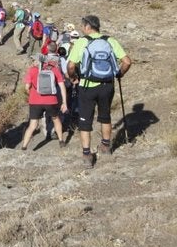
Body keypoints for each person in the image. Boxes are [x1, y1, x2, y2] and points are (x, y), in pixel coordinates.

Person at [66, 15, 132, 168]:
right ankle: (106, 146)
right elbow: (127, 61)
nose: (82, 29)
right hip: (107, 85)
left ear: (88, 26)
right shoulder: (110, 41)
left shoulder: (82, 41)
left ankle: (87, 154)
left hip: (87, 85)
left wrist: (73, 77)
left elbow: (70, 66)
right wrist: (119, 74)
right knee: (105, 115)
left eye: (83, 26)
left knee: (85, 119)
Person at [20, 54, 69, 150]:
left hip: (35, 101)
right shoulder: (54, 69)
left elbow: (26, 87)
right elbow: (62, 86)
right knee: (56, 119)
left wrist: (30, 93)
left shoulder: (32, 70)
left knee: (33, 124)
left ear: (36, 61)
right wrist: (64, 102)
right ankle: (61, 141)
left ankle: (24, 146)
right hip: (51, 101)